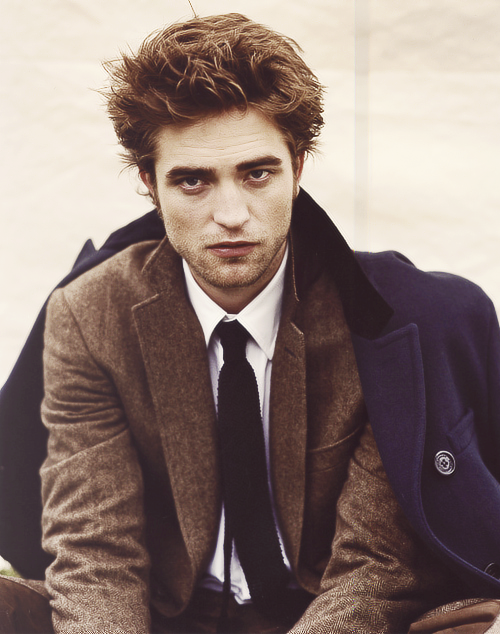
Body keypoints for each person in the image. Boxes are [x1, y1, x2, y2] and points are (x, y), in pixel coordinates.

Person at [1, 12, 500, 634]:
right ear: (149, 185)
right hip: (169, 614)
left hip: (332, 611)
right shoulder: (90, 314)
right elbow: (97, 554)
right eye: (193, 181)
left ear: (298, 169)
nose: (231, 214)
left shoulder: (384, 322)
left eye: (257, 173)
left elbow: (375, 568)